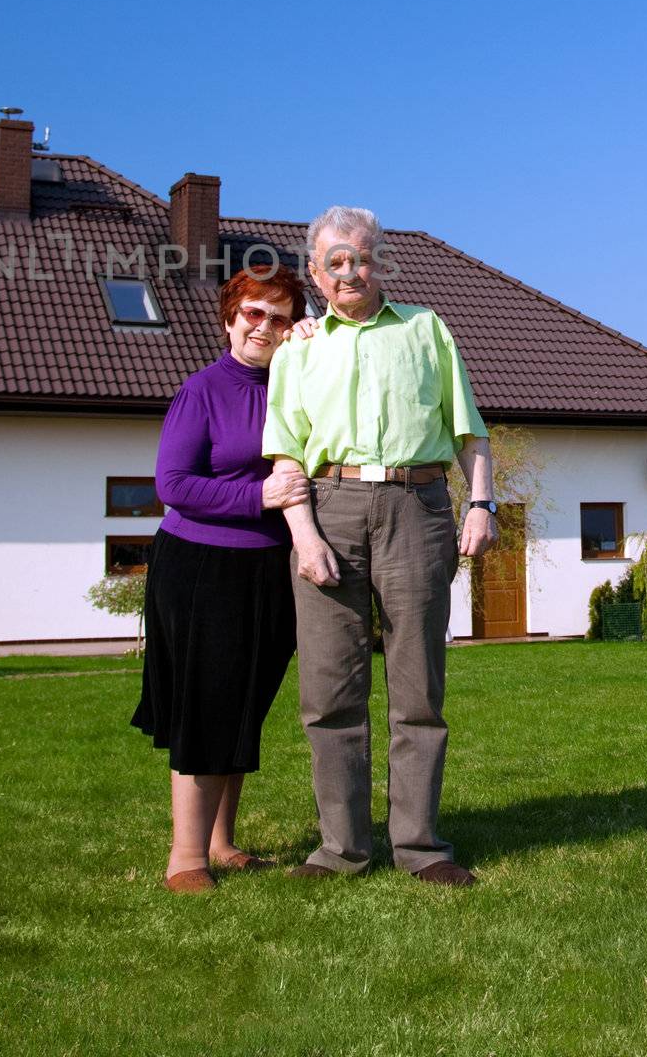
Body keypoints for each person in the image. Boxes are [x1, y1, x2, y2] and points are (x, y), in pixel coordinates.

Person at [263, 207, 497, 887]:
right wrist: (303, 537)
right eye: (333, 261)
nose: (348, 272)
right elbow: (283, 458)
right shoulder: (298, 348)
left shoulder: (426, 330)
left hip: (415, 506)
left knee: (417, 688)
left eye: (359, 259)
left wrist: (480, 503)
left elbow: (468, 431)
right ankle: (340, 848)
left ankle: (420, 847)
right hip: (325, 508)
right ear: (313, 272)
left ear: (379, 263)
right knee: (328, 689)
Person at [131, 266, 311, 893]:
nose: (265, 326)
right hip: (203, 566)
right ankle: (186, 858)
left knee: (245, 705)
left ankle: (222, 842)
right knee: (207, 707)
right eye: (254, 313)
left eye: (280, 316)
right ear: (230, 319)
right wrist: (258, 496)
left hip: (272, 567)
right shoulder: (202, 390)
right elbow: (172, 486)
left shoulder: (296, 384)